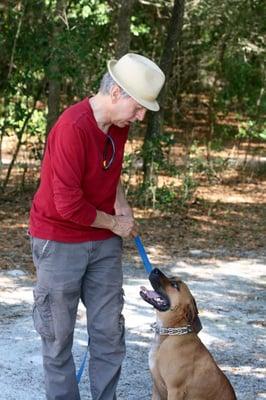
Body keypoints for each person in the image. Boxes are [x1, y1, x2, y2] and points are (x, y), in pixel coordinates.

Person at [29, 53, 165, 400]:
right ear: (117, 92)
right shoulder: (72, 128)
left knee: (108, 333)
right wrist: (116, 224)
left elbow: (109, 170)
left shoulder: (119, 125)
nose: (141, 116)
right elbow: (69, 205)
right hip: (59, 240)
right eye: (139, 107)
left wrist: (119, 201)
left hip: (102, 239)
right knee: (57, 338)